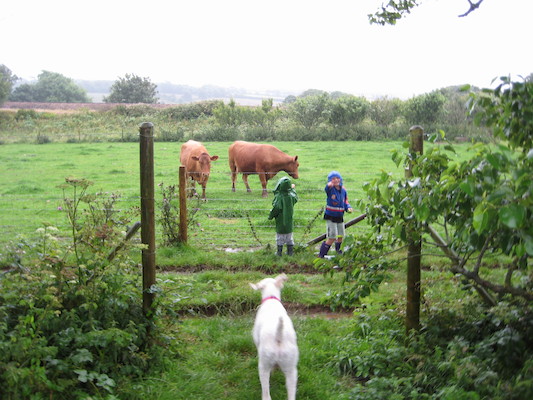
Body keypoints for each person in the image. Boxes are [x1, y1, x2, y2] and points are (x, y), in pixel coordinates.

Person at [318, 171, 353, 258]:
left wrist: (348, 207)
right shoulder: (330, 189)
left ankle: (339, 253)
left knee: (341, 235)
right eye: (333, 179)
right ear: (330, 180)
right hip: (331, 216)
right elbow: (327, 188)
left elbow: (345, 201)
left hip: (340, 216)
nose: (336, 180)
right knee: (332, 236)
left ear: (341, 179)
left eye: (337, 178)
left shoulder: (343, 190)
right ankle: (322, 254)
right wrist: (329, 185)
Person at [268, 176, 298, 256]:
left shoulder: (279, 197)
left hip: (280, 221)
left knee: (280, 238)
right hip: (289, 222)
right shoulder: (291, 196)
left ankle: (279, 252)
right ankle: (290, 252)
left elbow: (276, 208)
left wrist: (271, 215)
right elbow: (295, 196)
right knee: (289, 237)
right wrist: (292, 189)